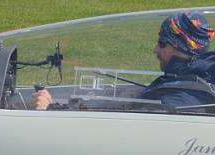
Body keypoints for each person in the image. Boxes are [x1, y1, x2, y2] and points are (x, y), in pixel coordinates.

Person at [33, 11, 215, 111]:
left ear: (180, 48)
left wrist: (49, 111)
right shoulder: (185, 77)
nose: (155, 49)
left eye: (161, 43)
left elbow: (116, 131)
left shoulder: (178, 100)